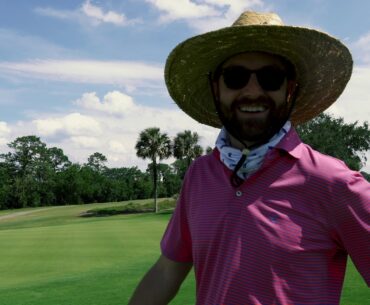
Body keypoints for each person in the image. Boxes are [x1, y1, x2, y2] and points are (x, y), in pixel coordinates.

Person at [128, 11, 370, 305]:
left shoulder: (333, 183)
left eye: (270, 78)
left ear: (289, 89)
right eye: (236, 77)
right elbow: (167, 271)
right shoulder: (199, 175)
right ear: (216, 88)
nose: (253, 91)